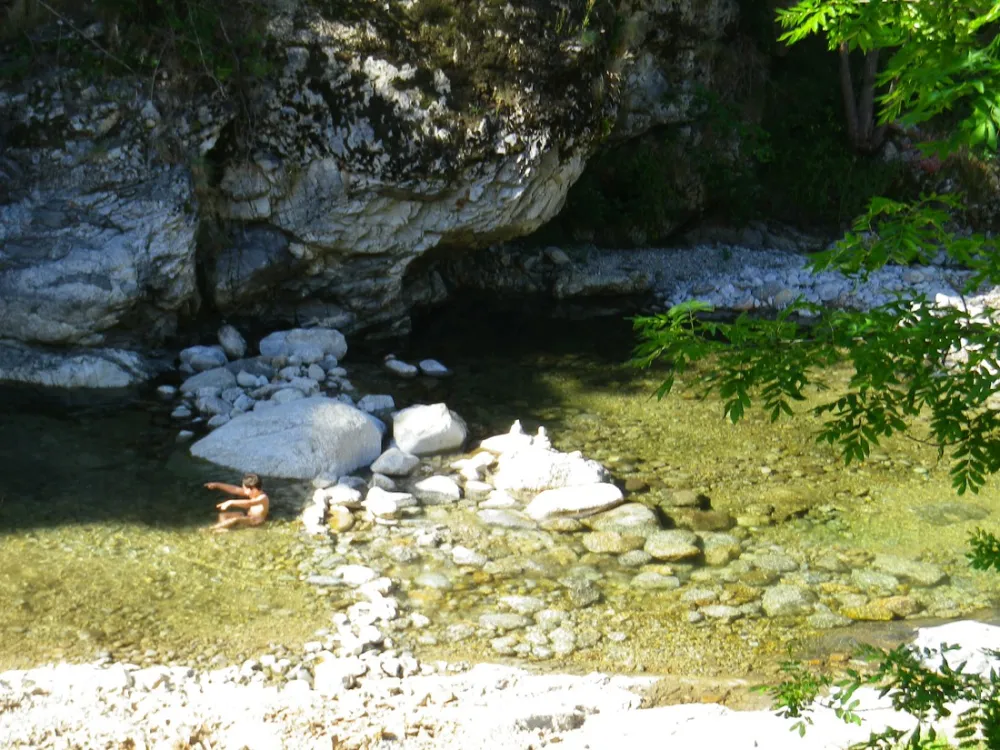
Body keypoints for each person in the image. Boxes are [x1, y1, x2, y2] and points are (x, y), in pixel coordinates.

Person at [204, 473, 269, 532]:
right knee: (222, 515)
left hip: (255, 521)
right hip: (248, 516)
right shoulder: (253, 493)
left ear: (254, 489)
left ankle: (210, 529)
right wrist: (216, 484)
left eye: (245, 489)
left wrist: (231, 502)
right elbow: (234, 489)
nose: (244, 491)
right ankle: (223, 529)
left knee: (236, 519)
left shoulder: (263, 498)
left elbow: (249, 503)